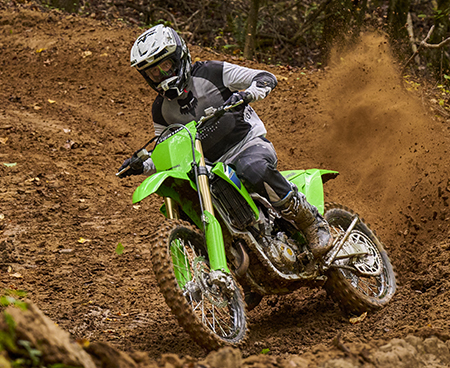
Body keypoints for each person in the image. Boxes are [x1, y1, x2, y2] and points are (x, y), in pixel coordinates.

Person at [118, 24, 332, 257]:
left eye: (166, 65)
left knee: (251, 168)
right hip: (208, 167)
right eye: (153, 72)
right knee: (188, 199)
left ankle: (311, 221)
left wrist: (249, 93)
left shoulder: (211, 72)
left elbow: (264, 77)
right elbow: (167, 150)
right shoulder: (161, 110)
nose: (161, 75)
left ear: (179, 57)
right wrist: (144, 164)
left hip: (246, 144)